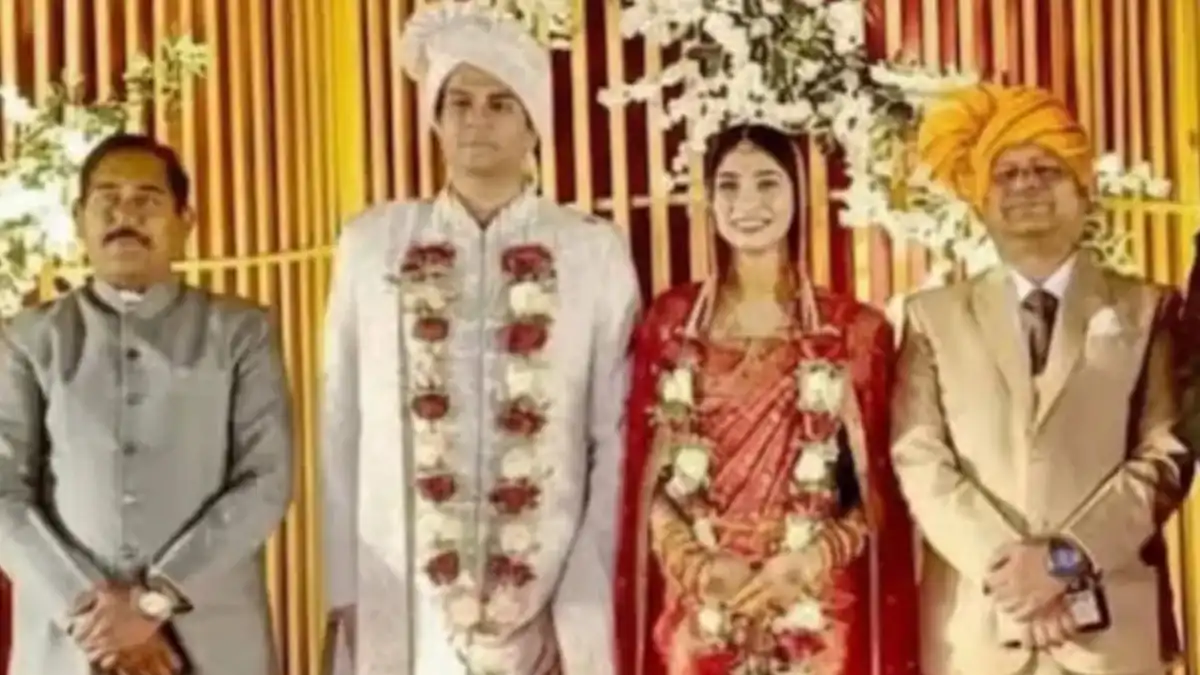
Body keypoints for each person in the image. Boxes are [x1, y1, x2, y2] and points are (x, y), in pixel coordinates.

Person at [318, 4, 640, 675]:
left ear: (533, 125)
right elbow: (339, 420)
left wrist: (584, 595)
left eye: (500, 103)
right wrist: (344, 584)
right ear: (435, 118)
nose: (476, 120)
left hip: (550, 584)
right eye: (458, 102)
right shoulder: (373, 244)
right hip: (402, 588)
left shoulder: (591, 251)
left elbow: (615, 434)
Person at [893, 83, 1194, 675]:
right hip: (978, 635)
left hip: (1108, 635)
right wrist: (1013, 578)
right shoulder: (932, 317)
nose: (1026, 185)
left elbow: (1165, 457)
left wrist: (1064, 562)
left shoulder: (1146, 308)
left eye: (1046, 170)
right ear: (981, 200)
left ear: (1083, 191)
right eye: (1006, 174)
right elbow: (918, 458)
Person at [613, 123, 921, 675]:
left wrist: (809, 561)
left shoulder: (854, 330)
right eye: (728, 185)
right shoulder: (671, 323)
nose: (747, 203)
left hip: (818, 608)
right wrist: (696, 563)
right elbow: (644, 481)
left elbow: (879, 491)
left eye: (767, 183)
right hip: (700, 606)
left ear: (799, 194)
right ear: (709, 200)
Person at [0, 133, 294, 675]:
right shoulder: (29, 338)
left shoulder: (240, 331)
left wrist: (156, 600)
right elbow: (4, 493)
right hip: (67, 645)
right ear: (79, 219)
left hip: (213, 639)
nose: (125, 216)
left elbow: (266, 479)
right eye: (107, 199)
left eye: (147, 200)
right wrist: (91, 611)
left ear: (185, 221)